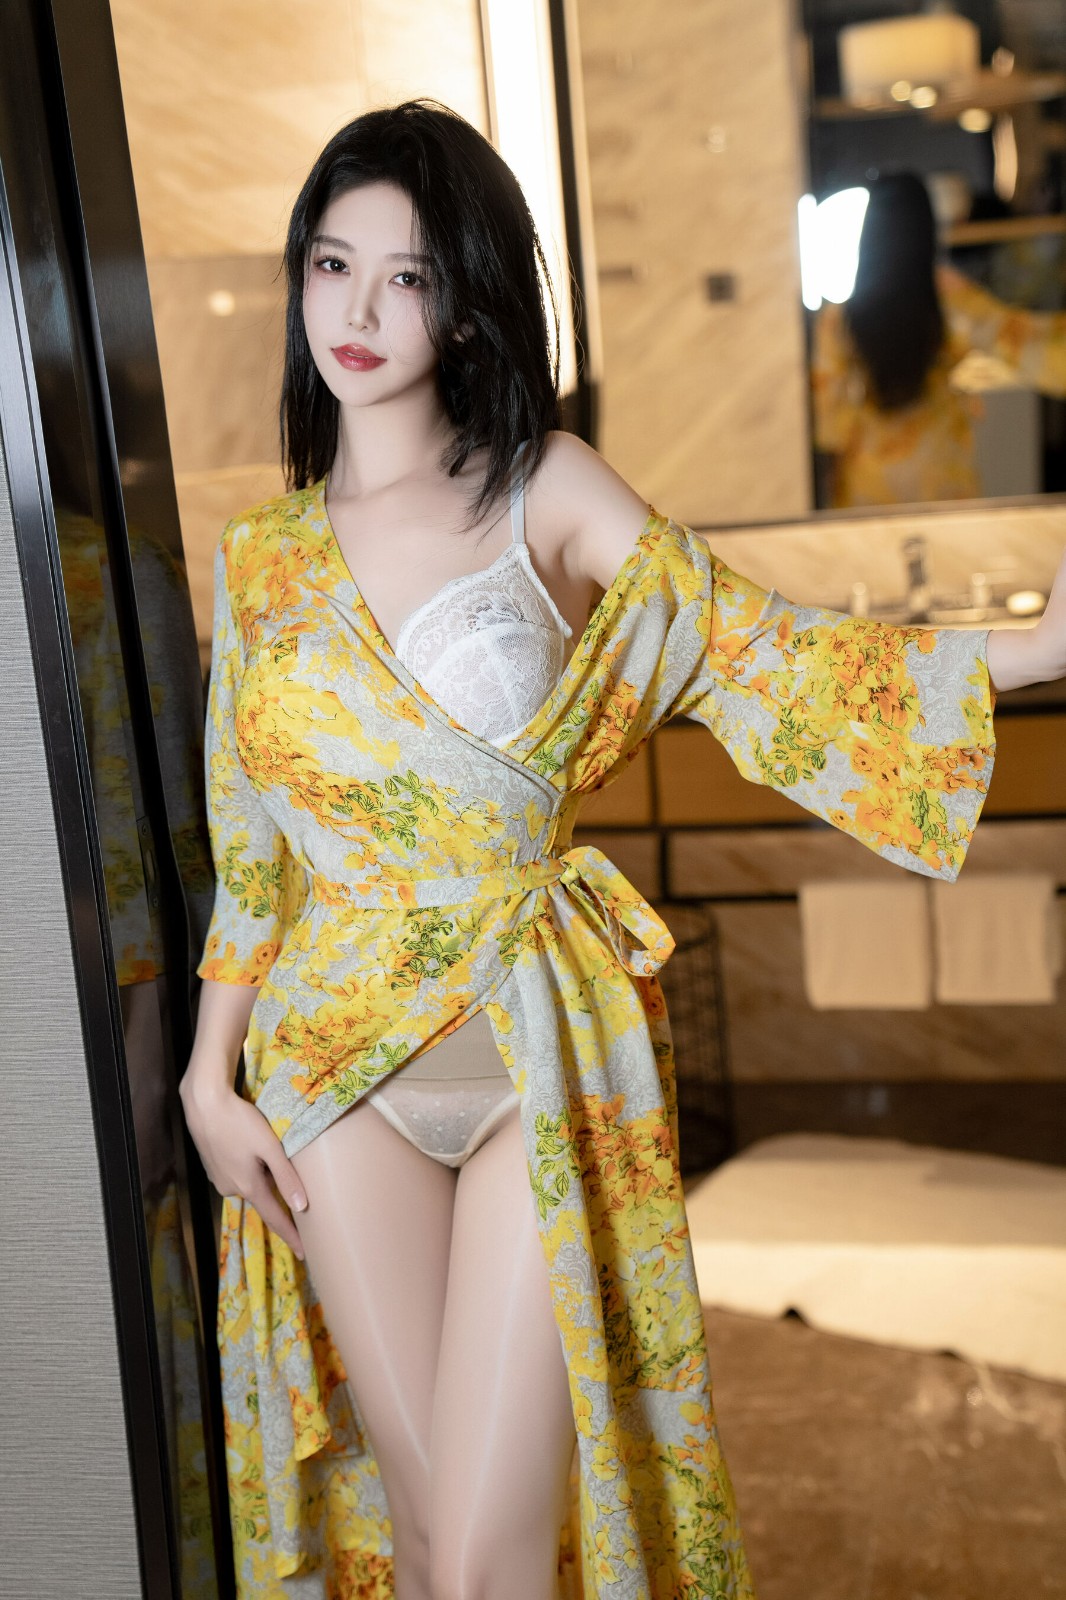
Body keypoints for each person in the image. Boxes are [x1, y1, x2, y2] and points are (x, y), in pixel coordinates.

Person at [179, 103, 1066, 1600]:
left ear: (466, 303)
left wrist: (1032, 647)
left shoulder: (547, 485)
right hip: (328, 1071)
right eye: (332, 265)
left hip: (534, 1049)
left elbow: (754, 652)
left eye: (406, 276)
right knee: (423, 1532)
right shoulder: (260, 561)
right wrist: (211, 1079)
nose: (359, 311)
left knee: (489, 1559)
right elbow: (251, 852)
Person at [811, 171, 1066, 507]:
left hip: (868, 475)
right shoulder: (946, 295)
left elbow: (828, 418)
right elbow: (1022, 341)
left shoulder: (838, 316)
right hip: (939, 470)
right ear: (925, 227)